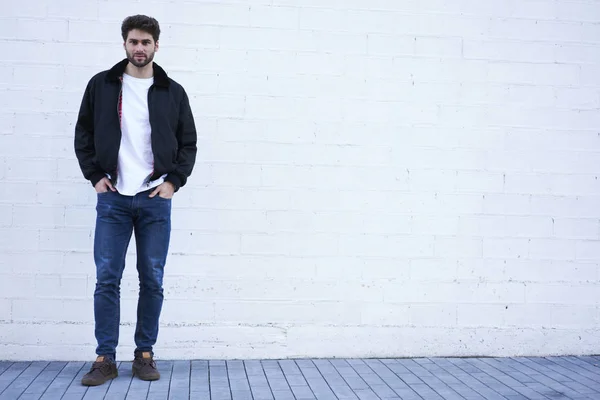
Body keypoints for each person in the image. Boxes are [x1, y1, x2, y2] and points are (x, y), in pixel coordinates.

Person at [74, 14, 197, 386]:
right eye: (133, 42)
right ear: (124, 44)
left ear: (156, 45)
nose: (139, 48)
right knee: (107, 278)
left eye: (146, 42)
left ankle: (144, 354)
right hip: (112, 199)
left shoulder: (172, 91)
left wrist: (173, 182)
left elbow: (188, 142)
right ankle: (104, 358)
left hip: (155, 198)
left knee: (152, 279)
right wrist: (95, 176)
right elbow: (84, 132)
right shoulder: (102, 85)